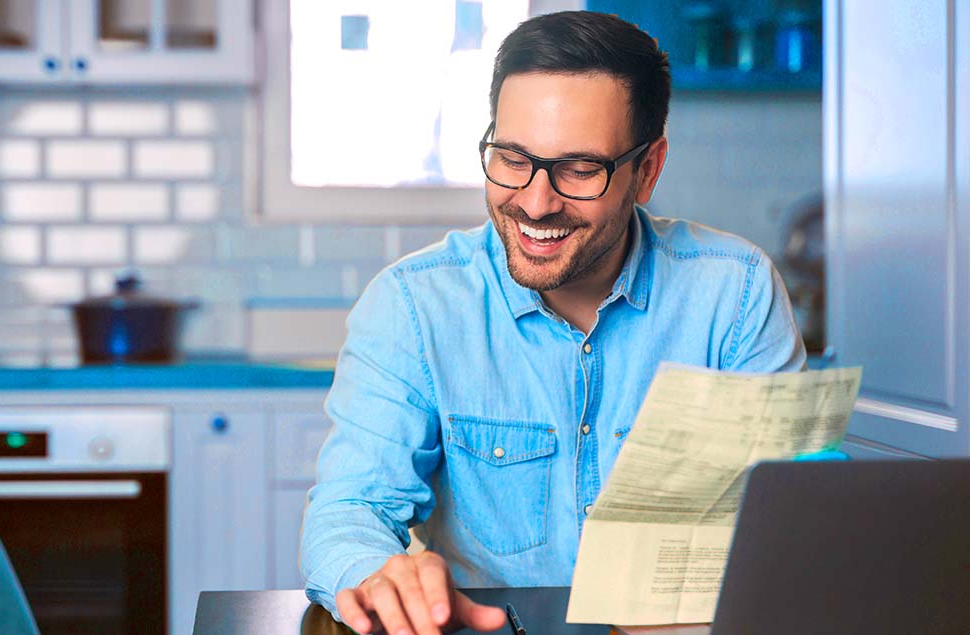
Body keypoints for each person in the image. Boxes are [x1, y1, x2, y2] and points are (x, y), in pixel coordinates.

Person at [301, 10, 805, 635]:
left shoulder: (736, 295)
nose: (536, 203)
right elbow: (350, 509)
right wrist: (377, 572)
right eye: (513, 158)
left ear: (647, 170)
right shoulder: (413, 306)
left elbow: (786, 528)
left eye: (580, 169)